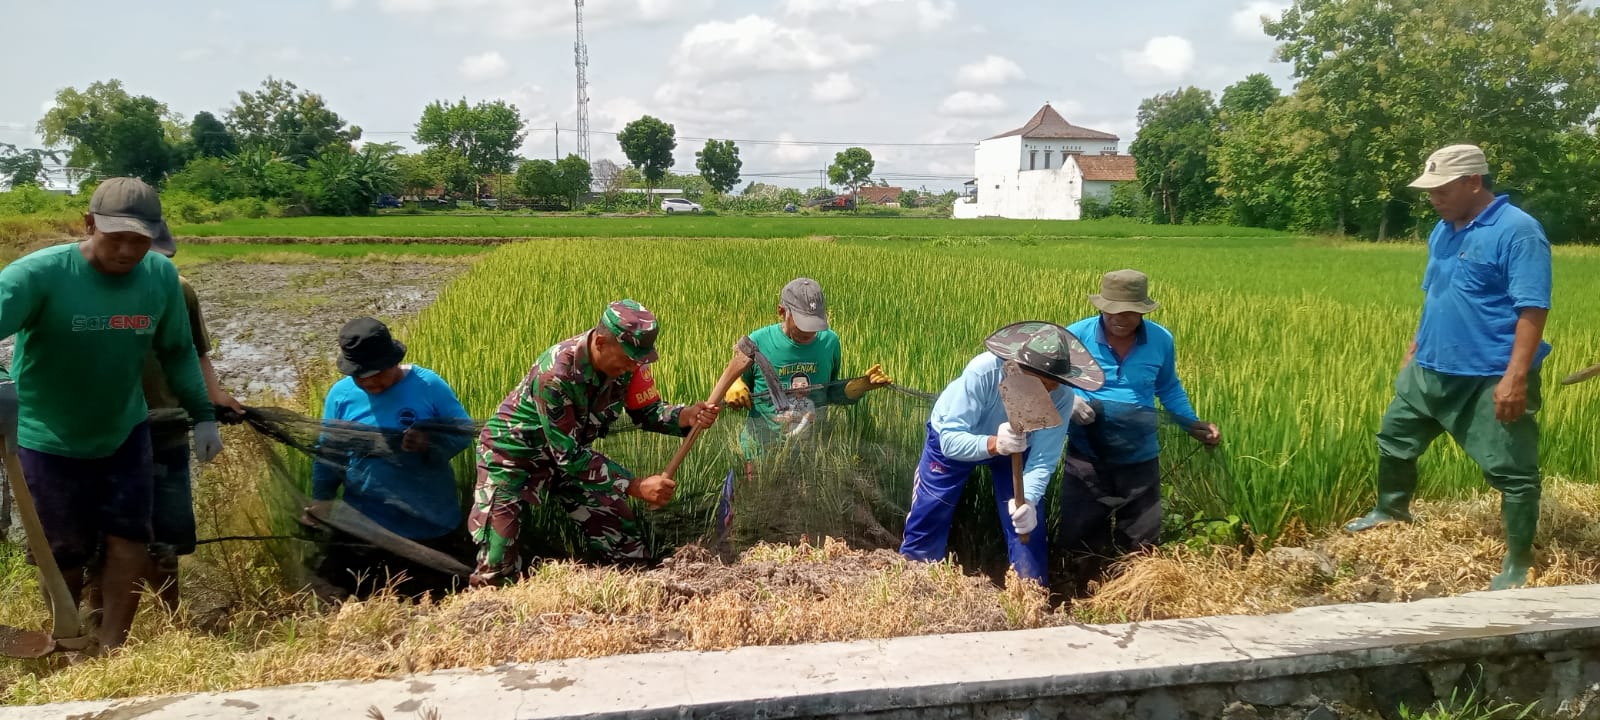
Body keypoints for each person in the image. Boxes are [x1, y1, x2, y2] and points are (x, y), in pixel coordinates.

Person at [0, 177, 222, 651]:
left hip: (125, 430)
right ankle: (69, 636)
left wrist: (203, 413)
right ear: (88, 224)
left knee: (130, 539)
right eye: (115, 237)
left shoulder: (160, 277)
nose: (126, 250)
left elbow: (179, 351)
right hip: (48, 437)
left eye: (139, 241)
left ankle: (111, 645)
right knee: (64, 552)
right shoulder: (36, 275)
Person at [1344, 144, 1552, 591]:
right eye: (1430, 190)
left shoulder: (1519, 232)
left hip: (1488, 374)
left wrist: (1515, 378)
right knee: (1394, 440)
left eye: (1441, 189)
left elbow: (1533, 308)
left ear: (1473, 182)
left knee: (1512, 471)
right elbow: (1436, 294)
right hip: (1430, 366)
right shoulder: (1442, 230)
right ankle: (1391, 509)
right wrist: (1413, 349)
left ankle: (1519, 561)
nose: (1433, 198)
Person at [468, 300, 722, 587]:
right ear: (601, 342)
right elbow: (570, 457)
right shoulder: (555, 375)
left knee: (622, 534)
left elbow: (648, 412)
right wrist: (636, 486)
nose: (634, 366)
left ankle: (633, 591)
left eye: (639, 360)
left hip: (569, 459)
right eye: (628, 359)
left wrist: (685, 416)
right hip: (513, 457)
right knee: (497, 560)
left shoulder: (630, 365)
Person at [1057, 269, 1220, 594]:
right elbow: (1052, 384)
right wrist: (1071, 400)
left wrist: (1191, 424)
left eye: (1130, 311)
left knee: (1142, 537)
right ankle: (1084, 596)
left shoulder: (1161, 340)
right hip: (1087, 454)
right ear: (1101, 306)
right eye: (1114, 309)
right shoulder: (1075, 337)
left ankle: (1132, 596)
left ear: (1143, 310)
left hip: (1140, 454)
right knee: (1082, 532)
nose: (1121, 317)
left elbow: (1169, 388)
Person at [899, 321, 1101, 584]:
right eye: (1042, 384)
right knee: (932, 508)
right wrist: (994, 444)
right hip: (959, 435)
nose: (1048, 393)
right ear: (1019, 368)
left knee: (1026, 520)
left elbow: (1042, 459)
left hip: (1018, 445)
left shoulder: (1062, 397)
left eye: (1054, 385)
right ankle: (914, 583)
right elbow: (949, 440)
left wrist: (1027, 498)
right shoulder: (984, 372)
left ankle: (1030, 593)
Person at [305, 317, 475, 599]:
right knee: (363, 601)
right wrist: (321, 498)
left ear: (394, 360)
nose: (370, 382)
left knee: (434, 603)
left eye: (377, 373)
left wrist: (429, 441)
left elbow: (463, 432)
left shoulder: (428, 385)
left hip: (429, 520)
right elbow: (329, 452)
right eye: (361, 376)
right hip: (366, 522)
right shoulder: (340, 395)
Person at [136, 235, 245, 613]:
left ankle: (170, 616)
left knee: (170, 534)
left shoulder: (178, 289)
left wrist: (211, 405)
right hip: (106, 430)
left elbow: (195, 353)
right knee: (107, 534)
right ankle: (100, 620)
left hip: (166, 425)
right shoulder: (89, 290)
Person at [723, 277, 892, 463]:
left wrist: (861, 386)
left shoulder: (830, 343)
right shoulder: (758, 341)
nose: (810, 331)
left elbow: (828, 392)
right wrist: (733, 385)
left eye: (815, 323)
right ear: (782, 312)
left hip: (810, 454)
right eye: (803, 322)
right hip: (761, 455)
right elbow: (735, 380)